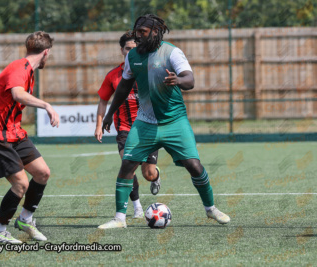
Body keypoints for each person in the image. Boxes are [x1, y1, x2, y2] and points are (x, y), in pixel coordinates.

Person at [98, 14, 230, 229]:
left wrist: (178, 80)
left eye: (143, 32)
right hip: (144, 124)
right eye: (136, 31)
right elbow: (123, 87)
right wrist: (109, 113)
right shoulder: (133, 56)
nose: (138, 36)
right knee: (127, 166)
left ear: (156, 32)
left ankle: (211, 209)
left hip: (174, 122)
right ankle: (119, 219)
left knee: (194, 166)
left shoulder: (172, 52)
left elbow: (190, 80)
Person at [0, 31, 60, 243]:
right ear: (46, 52)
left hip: (14, 133)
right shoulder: (18, 68)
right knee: (21, 184)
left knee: (42, 173)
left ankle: (25, 219)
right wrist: (47, 105)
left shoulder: (28, 71)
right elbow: (17, 94)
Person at [94, 32, 161, 219]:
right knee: (128, 167)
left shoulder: (150, 70)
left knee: (148, 173)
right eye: (128, 48)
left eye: (135, 48)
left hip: (149, 128)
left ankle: (155, 176)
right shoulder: (113, 75)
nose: (132, 51)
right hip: (124, 129)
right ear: (122, 50)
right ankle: (137, 206)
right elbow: (103, 101)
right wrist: (99, 125)